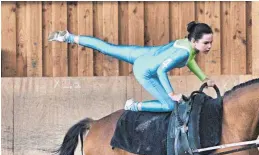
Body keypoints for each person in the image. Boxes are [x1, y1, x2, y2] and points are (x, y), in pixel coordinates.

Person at [48, 21, 215, 112]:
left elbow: (190, 61)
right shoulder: (184, 53)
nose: (209, 47)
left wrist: (204, 78)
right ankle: (134, 106)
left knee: (107, 48)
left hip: (143, 54)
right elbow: (161, 70)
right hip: (146, 71)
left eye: (211, 43)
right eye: (206, 43)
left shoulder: (187, 45)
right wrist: (171, 94)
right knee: (170, 106)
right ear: (194, 41)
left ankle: (68, 37)